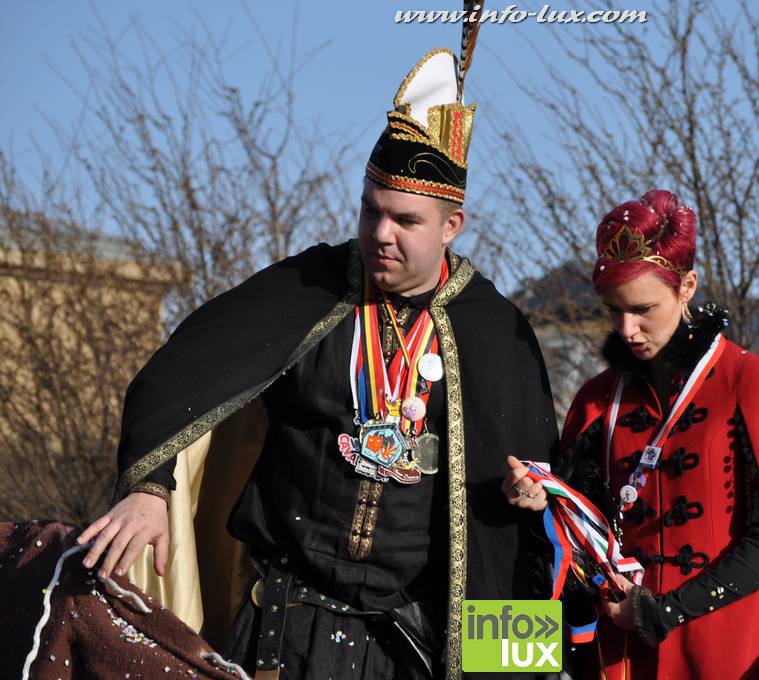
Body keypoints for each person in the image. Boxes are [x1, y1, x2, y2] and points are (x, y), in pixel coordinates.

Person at [78, 45, 558, 680]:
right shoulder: (310, 287)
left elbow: (523, 538)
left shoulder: (497, 333)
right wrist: (148, 487)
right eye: (370, 209)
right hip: (281, 625)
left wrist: (535, 498)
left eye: (405, 220)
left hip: (410, 643)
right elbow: (181, 372)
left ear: (452, 225)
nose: (381, 232)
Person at [504, 189, 759, 678]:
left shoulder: (752, 385)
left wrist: (665, 611)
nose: (627, 329)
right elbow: (574, 536)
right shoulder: (595, 399)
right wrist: (539, 503)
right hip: (618, 653)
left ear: (687, 286)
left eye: (643, 309)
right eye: (613, 310)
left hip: (728, 650)